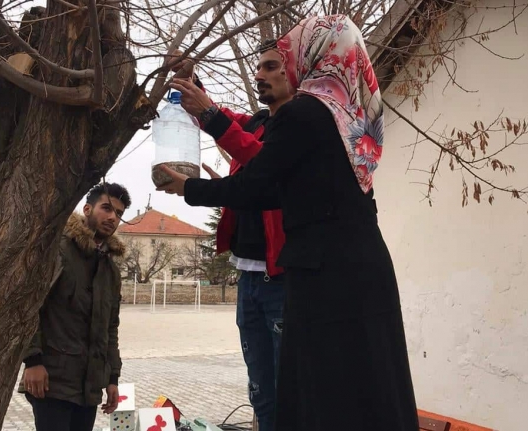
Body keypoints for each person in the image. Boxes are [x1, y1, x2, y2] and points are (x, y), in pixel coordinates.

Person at [160, 15, 419, 431]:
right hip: (358, 267)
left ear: (316, 53)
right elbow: (250, 144)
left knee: (322, 392)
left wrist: (191, 188)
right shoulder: (346, 116)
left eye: (282, 59)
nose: (276, 68)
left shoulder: (306, 113)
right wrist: (201, 100)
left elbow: (261, 182)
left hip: (325, 273)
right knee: (365, 383)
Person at [168, 40, 293, 431]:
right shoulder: (256, 120)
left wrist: (197, 188)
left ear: (296, 72)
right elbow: (219, 117)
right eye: (258, 68)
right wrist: (189, 78)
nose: (259, 75)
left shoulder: (301, 130)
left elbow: (260, 157)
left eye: (271, 67)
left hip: (282, 281)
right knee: (260, 391)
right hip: (249, 278)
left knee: (286, 386)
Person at [18, 183, 131, 431]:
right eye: (107, 208)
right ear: (87, 209)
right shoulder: (57, 250)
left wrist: (112, 378)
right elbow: (27, 307)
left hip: (88, 387)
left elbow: (110, 328)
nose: (113, 217)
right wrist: (32, 360)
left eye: (119, 213)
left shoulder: (110, 270)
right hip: (51, 381)